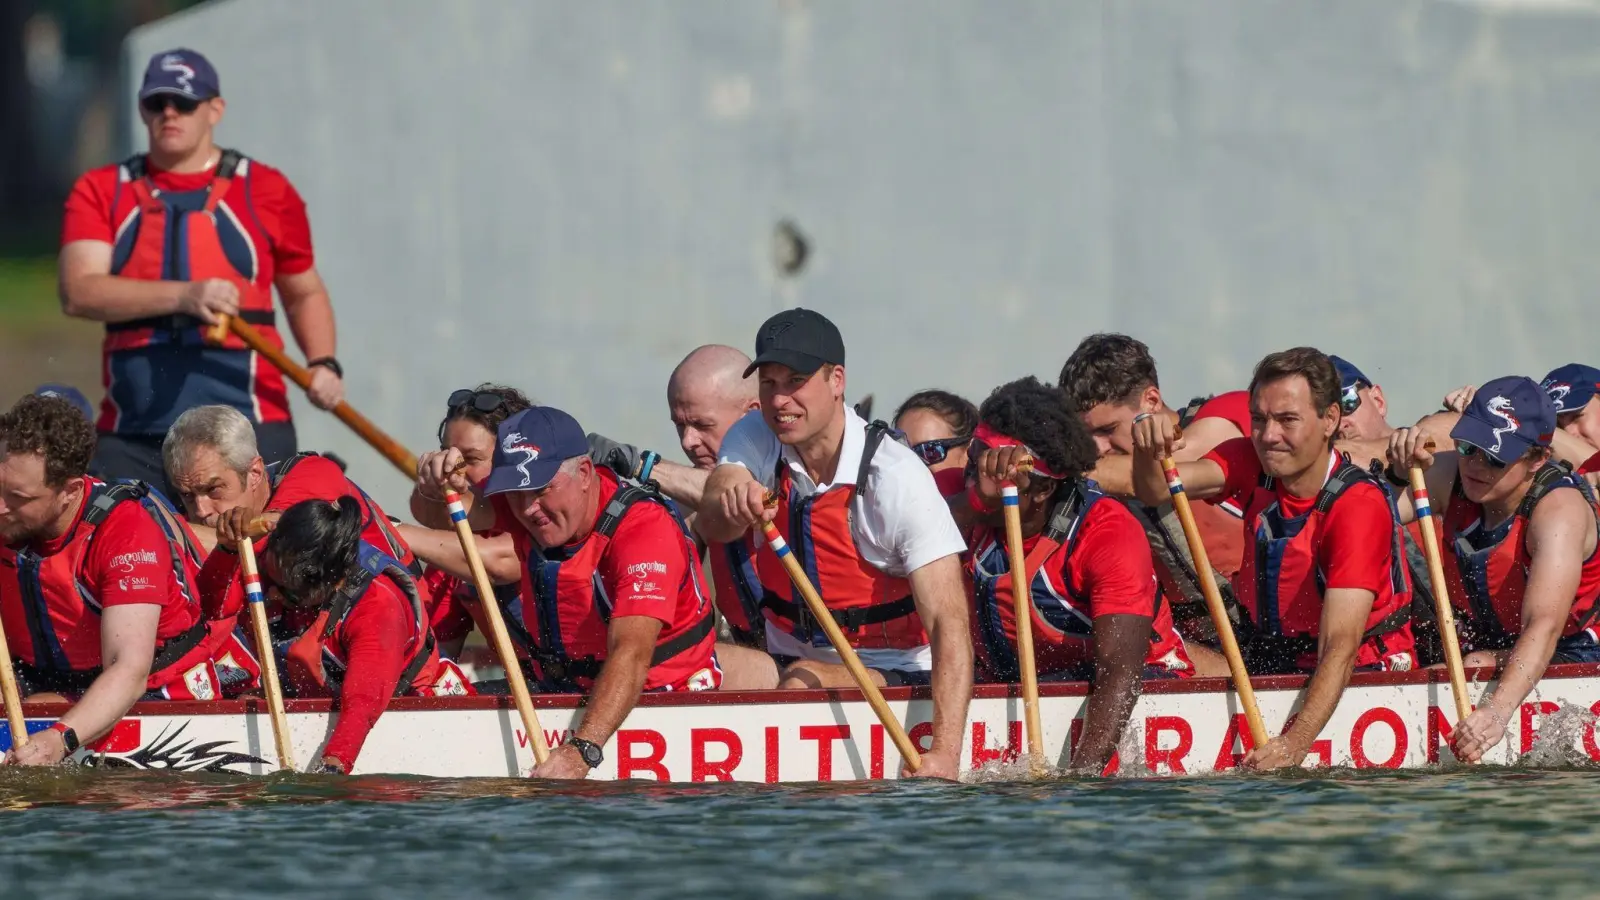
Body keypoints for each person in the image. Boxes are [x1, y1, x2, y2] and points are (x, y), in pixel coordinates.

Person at [697, 308, 973, 780]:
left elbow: (949, 625)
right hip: (789, 657)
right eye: (769, 383)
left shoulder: (896, 478)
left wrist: (944, 754)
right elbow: (720, 498)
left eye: (796, 381)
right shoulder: (758, 433)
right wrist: (732, 494)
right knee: (693, 668)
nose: (780, 399)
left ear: (837, 380)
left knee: (802, 680)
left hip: (898, 672)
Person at [58, 48, 343, 496]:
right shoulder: (101, 190)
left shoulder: (268, 190)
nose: (169, 112)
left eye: (185, 102)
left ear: (215, 110)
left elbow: (304, 292)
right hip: (135, 431)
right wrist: (184, 296)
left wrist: (323, 362)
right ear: (142, 109)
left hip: (248, 428)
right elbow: (79, 291)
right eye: (157, 102)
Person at [1131, 347, 1416, 770]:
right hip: (1272, 655)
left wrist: (1296, 743)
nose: (1268, 435)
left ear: (1330, 420)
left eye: (1287, 420)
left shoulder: (1356, 504)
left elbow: (1340, 646)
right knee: (1150, 655)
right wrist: (1144, 444)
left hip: (1363, 668)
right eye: (1260, 419)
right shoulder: (1250, 460)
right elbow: (1157, 490)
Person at [415, 405, 720, 780]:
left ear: (585, 474)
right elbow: (434, 516)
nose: (529, 509)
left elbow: (632, 652)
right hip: (565, 688)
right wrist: (431, 487)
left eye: (541, 490)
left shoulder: (643, 531)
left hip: (660, 694)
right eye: (517, 494)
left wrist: (582, 750)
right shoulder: (529, 499)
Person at [956, 377, 1194, 774]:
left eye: (992, 460)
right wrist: (980, 499)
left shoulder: (1106, 530)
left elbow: (1120, 668)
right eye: (975, 455)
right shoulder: (967, 505)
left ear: (1043, 487)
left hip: (1135, 682)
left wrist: (1082, 781)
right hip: (1028, 683)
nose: (975, 471)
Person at [0, 396, 249, 767]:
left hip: (154, 688)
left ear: (69, 491)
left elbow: (129, 670)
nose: (0, 506)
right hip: (49, 681)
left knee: (37, 708)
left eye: (17, 498)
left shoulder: (124, 534)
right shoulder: (12, 516)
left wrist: (59, 740)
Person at [1387, 377, 1600, 763]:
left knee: (1473, 664)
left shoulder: (1559, 511)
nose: (1475, 464)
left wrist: (1497, 713)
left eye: (1495, 458)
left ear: (1537, 459)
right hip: (1487, 638)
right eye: (1468, 447)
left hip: (1575, 648)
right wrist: (1396, 474)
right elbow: (1364, 515)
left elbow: (1543, 625)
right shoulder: (1450, 474)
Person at [245, 497, 470, 774]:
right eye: (274, 582)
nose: (273, 595)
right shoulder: (286, 561)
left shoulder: (377, 608)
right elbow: (216, 610)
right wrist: (227, 548)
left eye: (288, 592)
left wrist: (333, 767)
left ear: (327, 581)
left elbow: (362, 701)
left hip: (415, 707)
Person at [161, 405, 416, 639]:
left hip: (401, 655)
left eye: (214, 489)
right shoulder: (191, 523)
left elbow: (271, 533)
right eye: (187, 495)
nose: (201, 510)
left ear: (254, 473)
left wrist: (157, 531)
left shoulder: (314, 473)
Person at [1057, 333, 1248, 637]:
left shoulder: (1227, 416)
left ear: (1152, 401)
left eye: (1108, 430)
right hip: (1195, 642)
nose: (1097, 447)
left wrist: (1056, 463)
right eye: (1085, 435)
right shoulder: (1098, 474)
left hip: (1262, 633)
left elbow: (1160, 472)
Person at [397, 386, 532, 664]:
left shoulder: (542, 520)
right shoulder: (450, 560)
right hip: (536, 691)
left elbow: (497, 563)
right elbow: (434, 667)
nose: (452, 467)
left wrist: (391, 530)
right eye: (446, 454)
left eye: (470, 459)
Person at [665, 346, 773, 665]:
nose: (688, 441)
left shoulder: (793, 474)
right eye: (680, 425)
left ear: (752, 415)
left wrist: (641, 466)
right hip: (751, 656)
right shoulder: (682, 508)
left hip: (822, 664)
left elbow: (735, 495)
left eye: (702, 424)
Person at [893, 389, 978, 498]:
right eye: (901, 453)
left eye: (929, 451)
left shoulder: (1002, 509)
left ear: (971, 452)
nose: (911, 464)